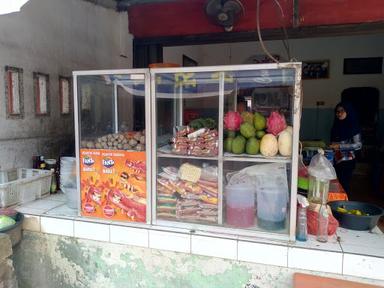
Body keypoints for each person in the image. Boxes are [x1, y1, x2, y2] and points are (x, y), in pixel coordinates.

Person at [329, 102, 362, 194]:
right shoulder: (336, 125)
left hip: (347, 161)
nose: (339, 113)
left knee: (343, 185)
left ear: (348, 112)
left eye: (342, 111)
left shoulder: (354, 126)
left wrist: (340, 146)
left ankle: (343, 205)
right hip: (336, 159)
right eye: (337, 111)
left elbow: (358, 145)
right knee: (335, 184)